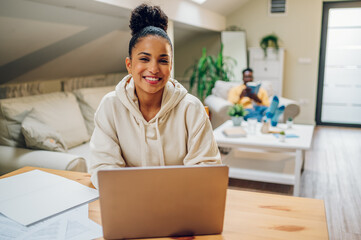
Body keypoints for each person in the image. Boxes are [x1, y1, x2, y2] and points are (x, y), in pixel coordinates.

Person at [88, 4, 221, 188]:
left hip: (180, 204)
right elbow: (103, 168)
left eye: (163, 60)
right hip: (127, 203)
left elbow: (207, 169)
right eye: (144, 59)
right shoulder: (110, 106)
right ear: (129, 64)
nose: (153, 69)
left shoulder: (191, 108)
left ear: (171, 65)